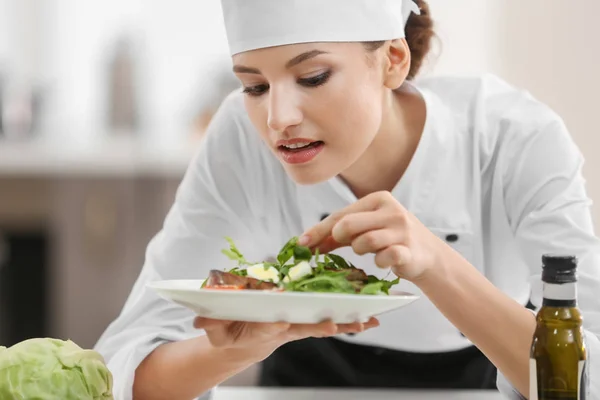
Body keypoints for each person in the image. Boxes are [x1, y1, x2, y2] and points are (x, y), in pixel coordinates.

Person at [94, 0, 600, 399]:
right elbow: (124, 372)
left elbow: (588, 381)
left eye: (312, 77)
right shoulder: (240, 138)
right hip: (306, 381)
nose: (277, 119)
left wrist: (436, 265)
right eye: (253, 86)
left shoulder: (516, 138)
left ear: (393, 60)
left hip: (483, 379)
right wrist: (238, 348)